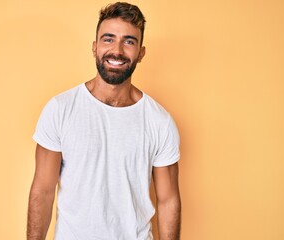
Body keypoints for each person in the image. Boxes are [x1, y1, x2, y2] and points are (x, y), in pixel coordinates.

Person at [27, 2, 181, 240]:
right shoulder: (61, 109)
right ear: (95, 46)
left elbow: (168, 200)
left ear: (141, 53)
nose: (117, 50)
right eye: (108, 39)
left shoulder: (159, 121)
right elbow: (43, 191)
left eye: (129, 41)